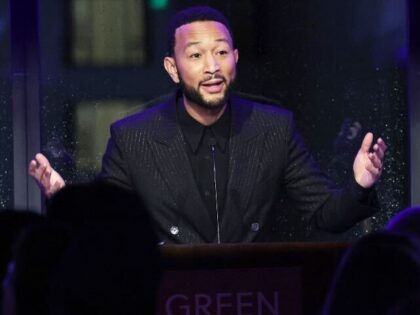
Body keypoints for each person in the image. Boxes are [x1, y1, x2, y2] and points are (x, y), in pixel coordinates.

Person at [28, 6, 387, 244]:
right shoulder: (134, 137)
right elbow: (105, 226)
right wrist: (64, 199)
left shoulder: (273, 129)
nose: (212, 66)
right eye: (196, 55)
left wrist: (359, 184)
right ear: (172, 68)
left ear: (236, 58)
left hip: (253, 294)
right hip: (171, 295)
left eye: (221, 52)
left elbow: (326, 214)